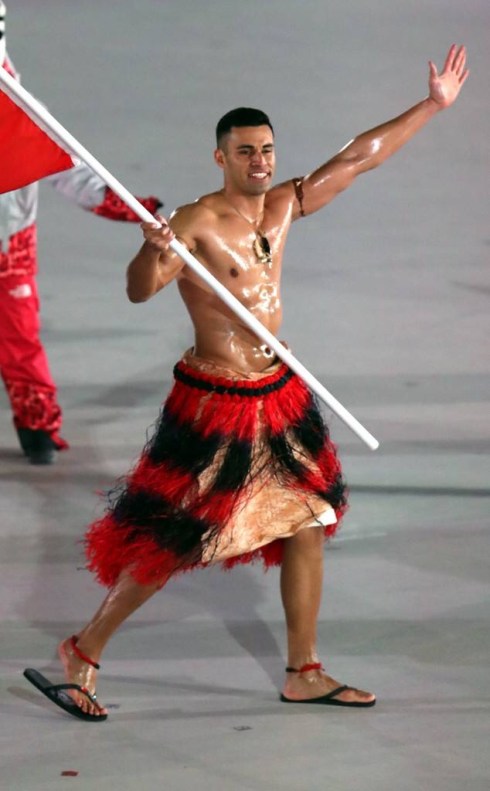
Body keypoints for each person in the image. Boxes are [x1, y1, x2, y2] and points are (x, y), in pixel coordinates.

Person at [23, 45, 468, 720]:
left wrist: (432, 106)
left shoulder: (284, 205)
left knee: (309, 520)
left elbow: (358, 158)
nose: (260, 161)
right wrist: (152, 250)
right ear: (220, 158)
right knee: (178, 536)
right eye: (245, 152)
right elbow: (140, 290)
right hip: (218, 399)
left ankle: (303, 670)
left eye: (266, 150)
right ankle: (82, 650)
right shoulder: (195, 221)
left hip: (277, 393)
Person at [0, 1, 162, 464]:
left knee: (20, 336)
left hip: (9, 248)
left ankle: (37, 427)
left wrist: (129, 206)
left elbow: (70, 169)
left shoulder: (20, 110)